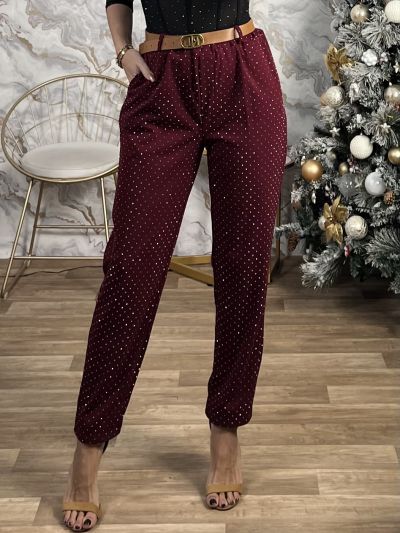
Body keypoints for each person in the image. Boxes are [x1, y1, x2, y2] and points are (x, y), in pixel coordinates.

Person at [62, 0, 287, 529]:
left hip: (242, 72)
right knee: (130, 271)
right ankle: (90, 442)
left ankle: (226, 429)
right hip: (160, 80)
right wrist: (123, 50)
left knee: (245, 267)